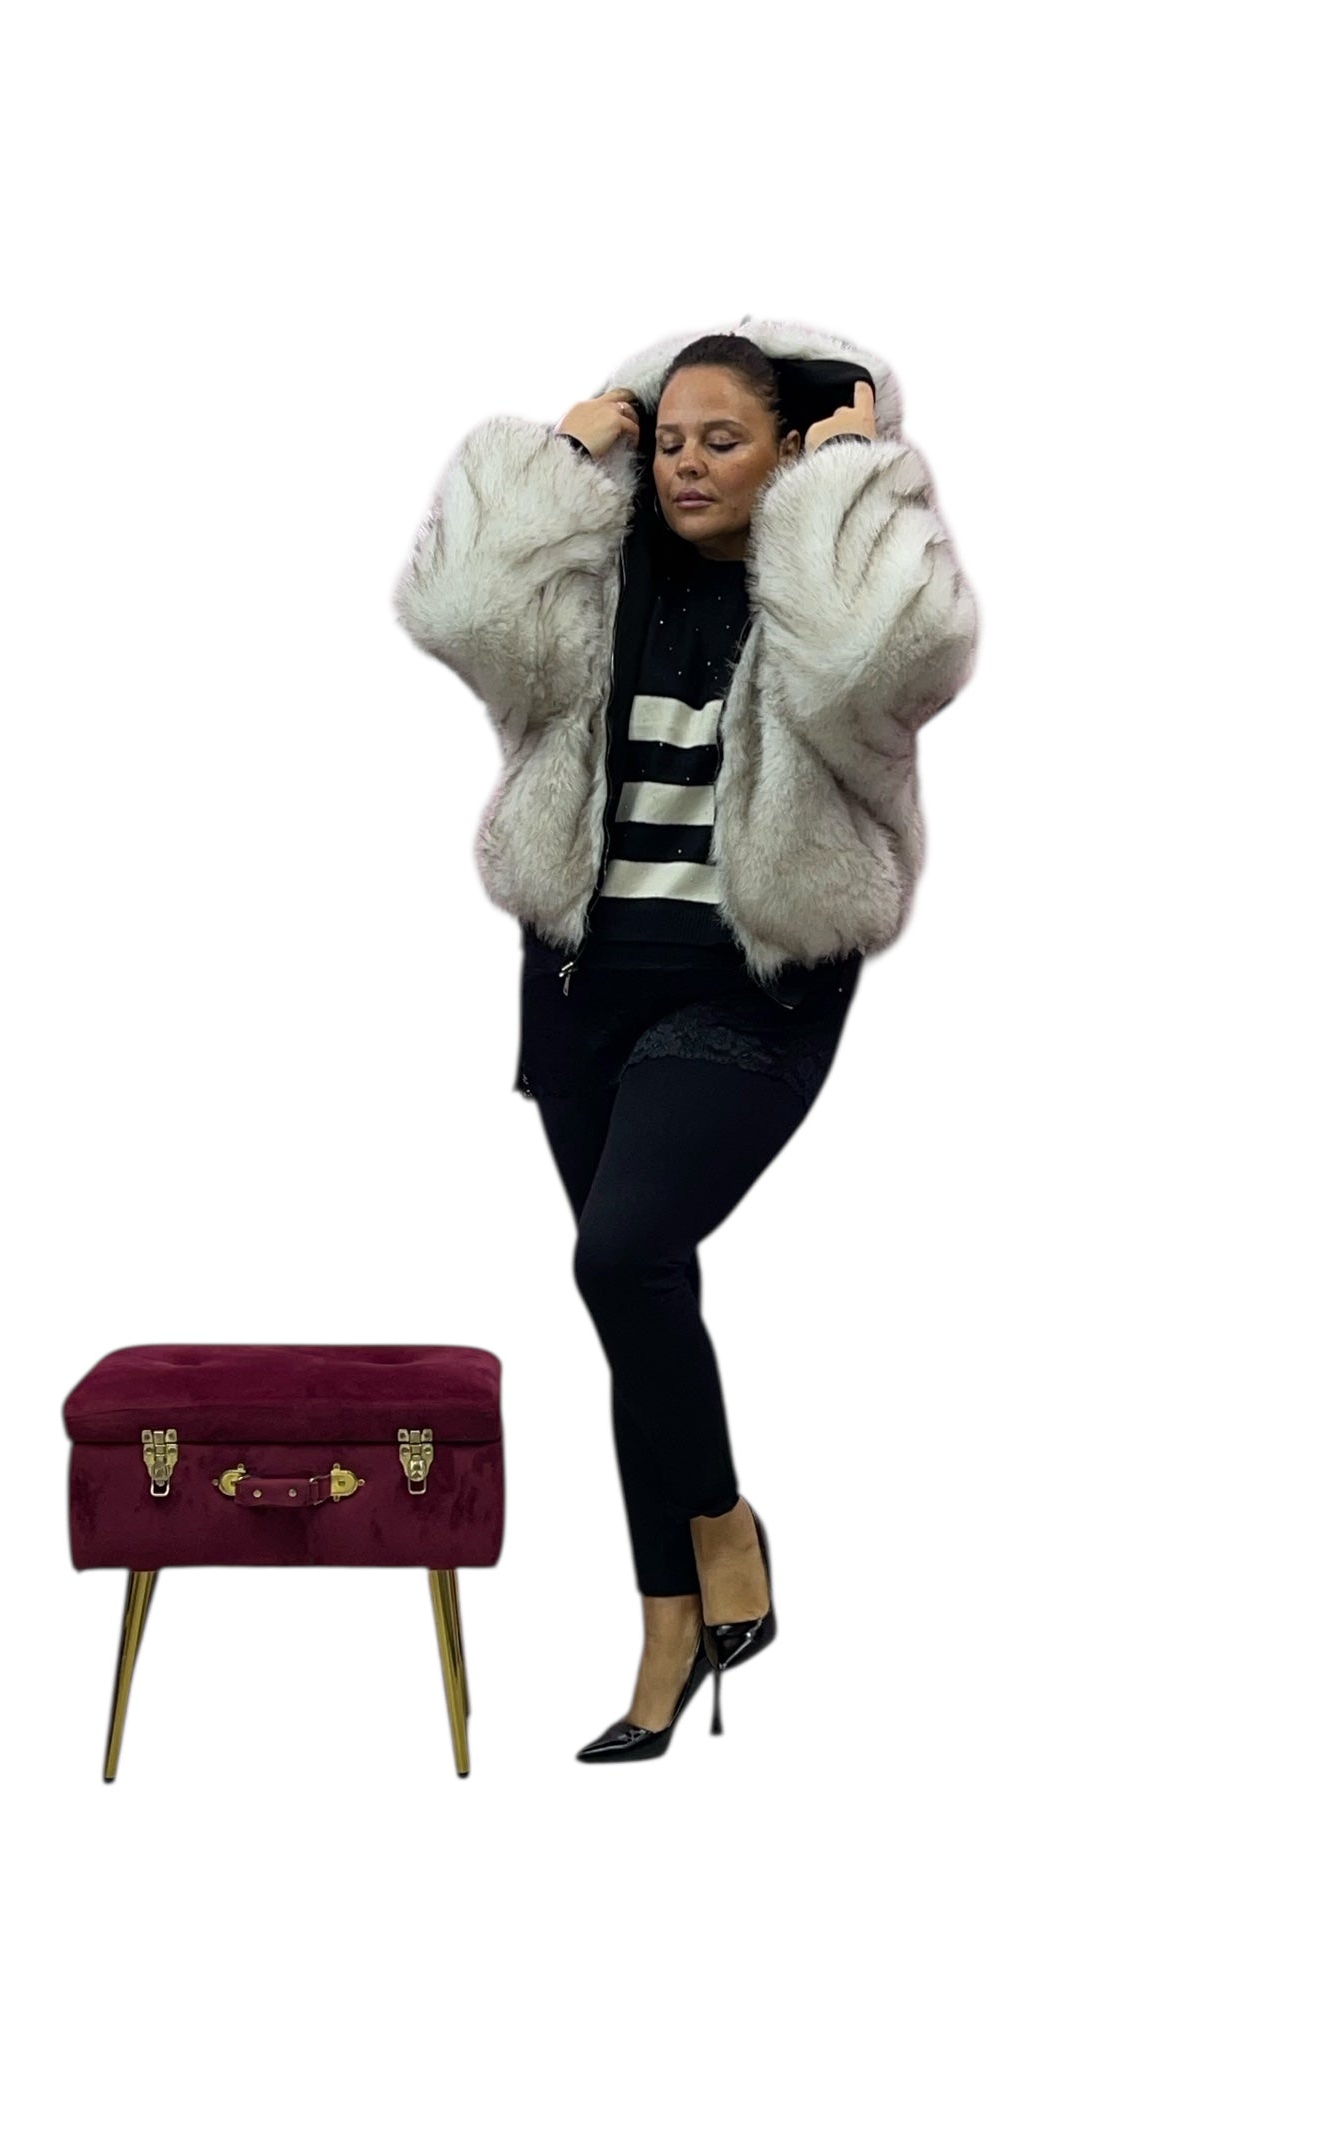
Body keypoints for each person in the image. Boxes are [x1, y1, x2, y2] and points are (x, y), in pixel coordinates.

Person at [394, 317, 978, 1762]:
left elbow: (886, 658)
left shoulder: (827, 574)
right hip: (583, 982)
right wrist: (561, 452)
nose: (686, 466)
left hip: (752, 986)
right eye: (667, 441)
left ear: (789, 452)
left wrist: (852, 482)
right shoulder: (602, 573)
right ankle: (669, 1626)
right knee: (638, 1310)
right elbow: (457, 612)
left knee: (622, 1256)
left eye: (725, 441)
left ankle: (722, 1530)